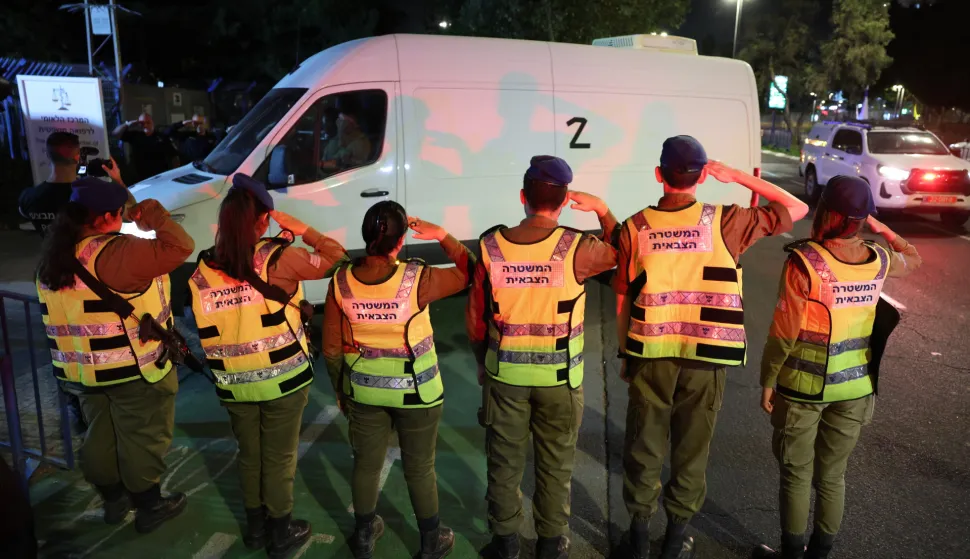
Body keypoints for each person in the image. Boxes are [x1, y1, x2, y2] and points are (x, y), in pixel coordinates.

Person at [614, 135, 809, 559]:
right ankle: (676, 539)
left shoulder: (634, 226)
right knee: (691, 449)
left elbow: (623, 298)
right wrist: (737, 176)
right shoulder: (726, 221)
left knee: (644, 444)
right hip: (707, 356)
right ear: (702, 176)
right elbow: (797, 209)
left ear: (658, 174)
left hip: (650, 352)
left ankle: (639, 536)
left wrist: (624, 352)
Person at [754, 176, 921, 559]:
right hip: (856, 387)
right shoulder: (879, 258)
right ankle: (820, 553)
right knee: (832, 476)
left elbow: (784, 333)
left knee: (796, 474)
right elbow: (914, 259)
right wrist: (885, 231)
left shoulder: (805, 262)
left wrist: (768, 380)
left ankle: (791, 553)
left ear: (826, 211)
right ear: (862, 219)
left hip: (803, 387)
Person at [467, 156, 619, 559]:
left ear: (523, 197)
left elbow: (476, 317)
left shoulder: (490, 246)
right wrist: (603, 211)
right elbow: (627, 257)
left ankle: (505, 544)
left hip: (506, 377)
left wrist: (483, 361)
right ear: (566, 199)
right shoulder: (578, 248)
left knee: (504, 463)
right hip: (560, 381)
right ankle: (551, 544)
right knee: (555, 464)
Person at [188, 174, 347, 559]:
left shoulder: (202, 270)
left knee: (249, 454)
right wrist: (304, 230)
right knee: (278, 458)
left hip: (233, 382)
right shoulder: (278, 258)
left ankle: (256, 529)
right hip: (282, 380)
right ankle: (280, 531)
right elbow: (338, 259)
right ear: (263, 221)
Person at [35, 176, 194, 533]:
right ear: (107, 216)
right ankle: (150, 506)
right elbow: (181, 245)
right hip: (132, 370)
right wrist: (154, 215)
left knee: (100, 438)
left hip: (82, 375)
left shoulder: (54, 259)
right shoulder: (117, 252)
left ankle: (113, 499)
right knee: (143, 436)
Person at [323, 200, 473, 559]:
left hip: (364, 391)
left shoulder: (341, 281)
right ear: (401, 238)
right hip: (418, 394)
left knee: (365, 465)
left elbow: (331, 348)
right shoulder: (418, 278)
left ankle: (363, 537)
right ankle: (430, 541)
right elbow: (474, 270)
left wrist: (341, 390)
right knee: (420, 468)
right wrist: (442, 235)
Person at [18, 132, 125, 235]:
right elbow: (131, 211)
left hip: (51, 252)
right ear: (77, 157)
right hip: (87, 253)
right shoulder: (93, 195)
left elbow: (24, 213)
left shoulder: (28, 197)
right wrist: (118, 180)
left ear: (48, 155)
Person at [112, 112, 179, 183]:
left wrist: (175, 174)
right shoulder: (135, 136)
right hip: (140, 178)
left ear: (152, 123)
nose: (145, 125)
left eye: (148, 123)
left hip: (160, 176)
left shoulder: (162, 137)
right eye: (142, 123)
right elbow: (115, 133)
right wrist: (128, 124)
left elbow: (174, 156)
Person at [320, 105, 371, 173]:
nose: (338, 123)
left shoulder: (358, 144)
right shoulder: (346, 142)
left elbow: (334, 164)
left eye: (341, 121)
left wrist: (319, 165)